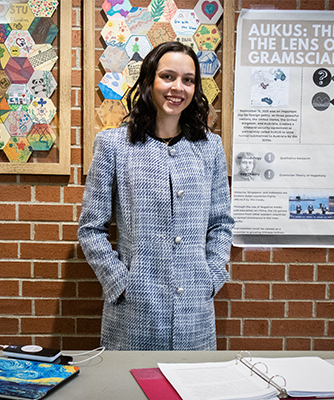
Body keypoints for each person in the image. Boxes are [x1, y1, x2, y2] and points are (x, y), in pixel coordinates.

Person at [77, 41, 234, 351]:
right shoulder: (114, 146)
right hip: (134, 312)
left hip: (195, 314)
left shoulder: (209, 148)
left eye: (188, 80)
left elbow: (221, 224)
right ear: (149, 80)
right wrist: (120, 284)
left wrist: (212, 277)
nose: (178, 87)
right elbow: (91, 229)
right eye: (168, 76)